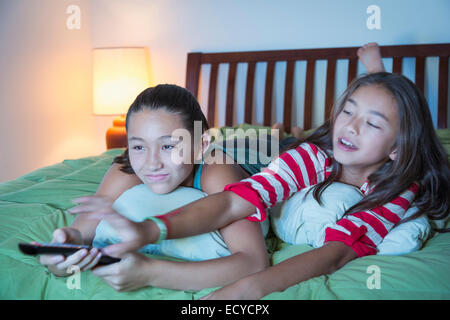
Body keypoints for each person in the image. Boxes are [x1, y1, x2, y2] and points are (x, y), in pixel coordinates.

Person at [72, 70, 450, 299]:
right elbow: (235, 202)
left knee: (266, 146)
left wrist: (237, 295)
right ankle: (287, 135)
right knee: (278, 145)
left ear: (399, 147)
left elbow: (335, 253)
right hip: (268, 151)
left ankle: (282, 135)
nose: (350, 127)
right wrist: (147, 230)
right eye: (347, 111)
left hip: (248, 155)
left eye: (372, 122)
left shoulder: (397, 192)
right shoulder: (314, 154)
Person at [40, 84, 275, 291]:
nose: (152, 164)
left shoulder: (217, 172)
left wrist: (152, 273)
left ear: (200, 145)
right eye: (139, 147)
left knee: (272, 140)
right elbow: (79, 235)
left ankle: (283, 130)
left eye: (168, 146)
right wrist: (62, 255)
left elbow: (254, 261)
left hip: (247, 154)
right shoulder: (127, 169)